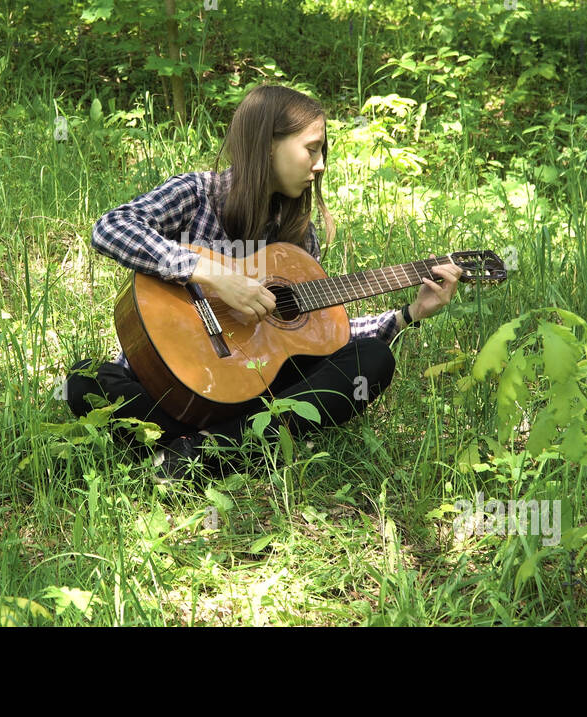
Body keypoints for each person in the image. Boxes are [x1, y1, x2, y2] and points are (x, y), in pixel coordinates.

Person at [66, 84, 463, 481]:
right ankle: (235, 446)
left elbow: (322, 336)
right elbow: (110, 228)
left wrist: (410, 313)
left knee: (372, 361)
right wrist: (213, 274)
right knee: (84, 382)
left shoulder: (299, 238)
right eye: (311, 149)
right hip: (174, 383)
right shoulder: (196, 193)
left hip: (253, 390)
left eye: (322, 152)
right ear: (268, 144)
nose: (321, 164)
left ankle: (194, 451)